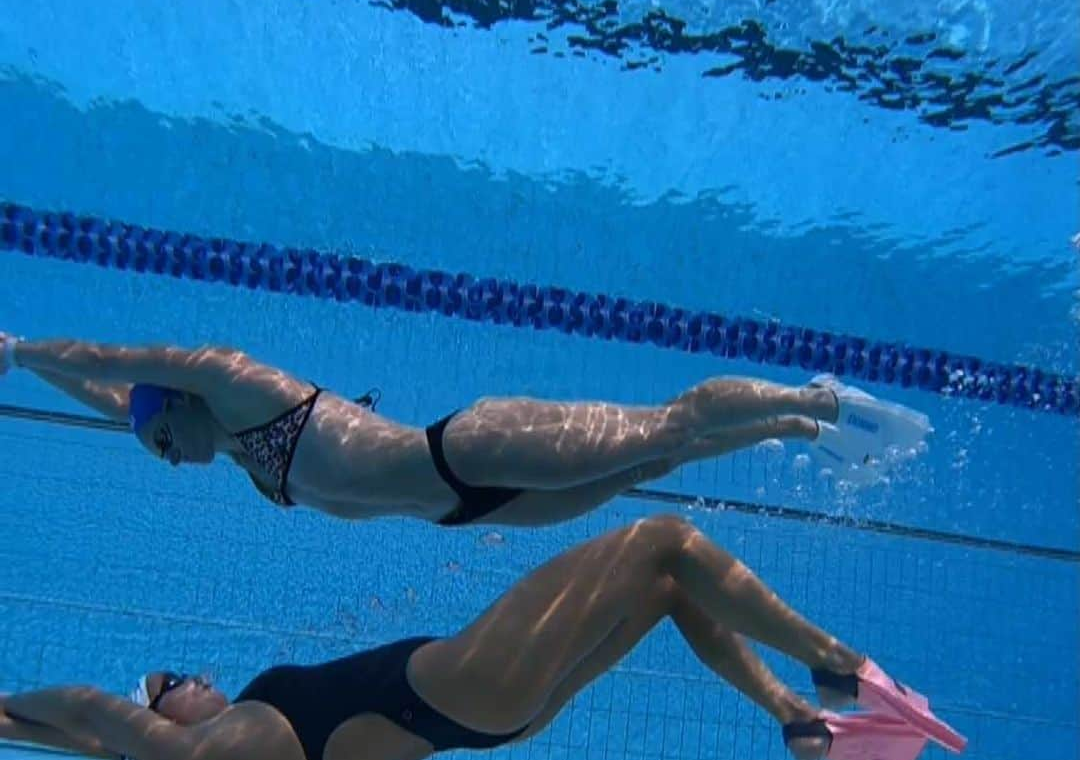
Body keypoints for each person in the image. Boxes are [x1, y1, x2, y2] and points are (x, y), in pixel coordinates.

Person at [0, 516, 964, 760]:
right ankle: (837, 666)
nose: (193, 676)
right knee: (662, 538)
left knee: (670, 587)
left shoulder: (221, 745)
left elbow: (85, 733)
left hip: (484, 707)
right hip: (462, 689)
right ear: (160, 723)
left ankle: (796, 714)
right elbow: (89, 706)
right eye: (173, 680)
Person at [0, 331, 930, 525]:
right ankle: (801, 435)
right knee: (661, 458)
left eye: (162, 441)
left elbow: (119, 364)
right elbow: (114, 399)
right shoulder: (224, 443)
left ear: (185, 407)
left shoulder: (234, 387)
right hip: (469, 508)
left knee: (664, 425)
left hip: (465, 448)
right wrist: (33, 371)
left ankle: (816, 399)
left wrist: (19, 346)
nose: (167, 462)